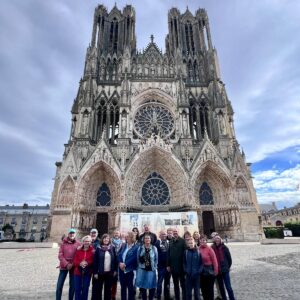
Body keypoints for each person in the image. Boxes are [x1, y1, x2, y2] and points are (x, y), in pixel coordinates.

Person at [56, 229, 80, 300]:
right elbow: (60, 255)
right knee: (59, 286)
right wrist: (67, 264)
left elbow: (78, 255)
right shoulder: (63, 243)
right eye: (70, 233)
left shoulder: (78, 243)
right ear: (68, 234)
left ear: (75, 234)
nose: (72, 234)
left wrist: (72, 264)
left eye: (73, 233)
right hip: (64, 266)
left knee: (72, 286)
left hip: (73, 266)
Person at [92, 234, 118, 300]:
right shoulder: (98, 248)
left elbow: (115, 260)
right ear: (102, 240)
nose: (106, 240)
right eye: (104, 238)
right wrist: (95, 272)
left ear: (109, 240)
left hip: (109, 273)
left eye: (107, 238)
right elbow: (95, 261)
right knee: (98, 290)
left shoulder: (112, 247)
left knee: (108, 290)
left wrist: (115, 270)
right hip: (99, 273)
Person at [211, 235, 236, 300]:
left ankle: (232, 298)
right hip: (218, 271)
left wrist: (227, 267)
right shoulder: (212, 248)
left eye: (218, 238)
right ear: (214, 240)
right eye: (216, 239)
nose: (217, 240)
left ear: (220, 239)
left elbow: (229, 259)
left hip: (225, 270)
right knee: (221, 287)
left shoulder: (225, 247)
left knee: (228, 287)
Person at [136, 233, 158, 300]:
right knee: (143, 286)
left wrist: (155, 268)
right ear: (143, 240)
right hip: (142, 270)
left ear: (151, 239)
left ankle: (151, 298)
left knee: (152, 285)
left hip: (151, 270)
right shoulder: (140, 248)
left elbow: (156, 259)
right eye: (146, 238)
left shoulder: (154, 248)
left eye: (148, 238)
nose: (147, 239)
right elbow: (137, 259)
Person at [118, 231, 139, 300]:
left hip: (131, 270)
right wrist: (120, 263)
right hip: (121, 270)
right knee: (123, 287)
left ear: (132, 237)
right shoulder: (123, 245)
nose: (126, 238)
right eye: (126, 236)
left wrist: (125, 264)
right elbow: (119, 254)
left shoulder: (136, 247)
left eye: (128, 236)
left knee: (131, 288)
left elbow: (134, 258)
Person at [167, 228, 186, 300]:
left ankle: (184, 298)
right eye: (174, 232)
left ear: (179, 232)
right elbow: (168, 254)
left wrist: (185, 265)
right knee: (175, 285)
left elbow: (185, 254)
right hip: (173, 267)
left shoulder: (183, 241)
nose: (175, 233)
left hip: (181, 267)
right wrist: (168, 265)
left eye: (176, 231)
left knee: (183, 285)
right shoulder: (171, 241)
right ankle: (177, 298)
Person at [73, 235, 94, 300]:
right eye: (85, 241)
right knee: (77, 289)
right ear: (83, 242)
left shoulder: (93, 251)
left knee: (85, 289)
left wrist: (87, 262)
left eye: (88, 241)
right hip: (77, 272)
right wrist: (80, 263)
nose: (86, 243)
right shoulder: (78, 250)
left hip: (87, 272)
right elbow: (75, 261)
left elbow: (93, 260)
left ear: (90, 242)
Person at [199, 235, 218, 300]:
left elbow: (214, 260)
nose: (202, 241)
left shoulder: (210, 249)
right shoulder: (198, 248)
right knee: (203, 289)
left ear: (206, 241)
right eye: (201, 240)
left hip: (209, 271)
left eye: (204, 240)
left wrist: (215, 271)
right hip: (201, 271)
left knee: (210, 289)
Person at [155, 230, 171, 300]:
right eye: (162, 234)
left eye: (165, 234)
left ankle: (167, 296)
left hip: (168, 266)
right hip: (160, 266)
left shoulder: (169, 242)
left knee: (167, 282)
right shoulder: (157, 243)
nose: (164, 236)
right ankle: (158, 296)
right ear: (159, 235)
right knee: (160, 282)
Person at [111, 230, 123, 300]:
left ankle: (113, 295)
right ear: (113, 234)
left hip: (119, 262)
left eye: (118, 233)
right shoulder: (110, 241)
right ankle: (109, 293)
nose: (116, 234)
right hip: (111, 262)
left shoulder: (122, 242)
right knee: (110, 278)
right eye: (115, 233)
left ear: (120, 234)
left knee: (115, 279)